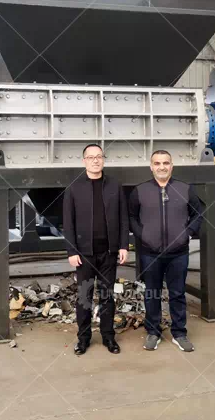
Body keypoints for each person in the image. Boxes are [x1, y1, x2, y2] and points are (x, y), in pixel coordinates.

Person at [128, 149, 203, 352]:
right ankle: (153, 332)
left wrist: (187, 234)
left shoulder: (185, 189)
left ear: (172, 166)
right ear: (151, 166)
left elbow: (198, 214)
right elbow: (131, 217)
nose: (162, 167)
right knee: (152, 293)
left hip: (178, 253)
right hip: (150, 253)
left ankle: (180, 333)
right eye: (157, 163)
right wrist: (143, 236)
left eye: (166, 163)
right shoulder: (140, 191)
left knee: (177, 293)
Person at [63, 144, 129, 355]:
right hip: (84, 254)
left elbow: (123, 218)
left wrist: (123, 246)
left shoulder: (114, 186)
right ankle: (83, 339)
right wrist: (71, 251)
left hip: (109, 251)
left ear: (103, 159)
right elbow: (68, 222)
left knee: (107, 296)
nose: (95, 160)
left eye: (99, 157)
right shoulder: (74, 188)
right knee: (85, 296)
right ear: (84, 161)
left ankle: (109, 337)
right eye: (90, 157)